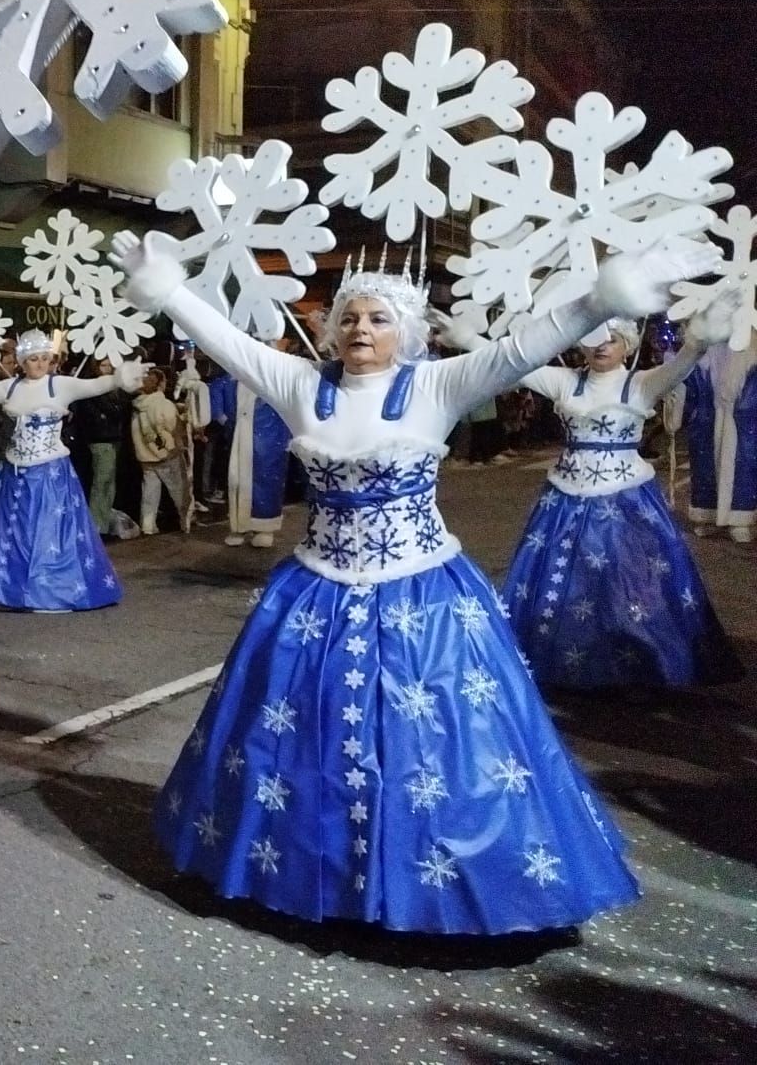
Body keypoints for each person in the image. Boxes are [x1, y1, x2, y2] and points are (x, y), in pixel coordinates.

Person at [123, 227, 711, 934]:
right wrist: (170, 293)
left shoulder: (438, 383)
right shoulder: (301, 383)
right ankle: (310, 878)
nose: (360, 329)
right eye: (348, 317)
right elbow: (227, 341)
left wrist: (599, 300)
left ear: (403, 331)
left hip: (422, 596)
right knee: (299, 749)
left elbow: (522, 348)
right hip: (316, 591)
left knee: (429, 750)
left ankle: (439, 894)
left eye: (376, 318)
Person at [489, 317, 742, 692]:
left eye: (613, 339)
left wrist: (695, 344)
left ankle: (639, 662)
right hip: (564, 501)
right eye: (594, 340)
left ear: (627, 343)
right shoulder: (564, 381)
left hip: (627, 501)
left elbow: (678, 368)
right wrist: (471, 338)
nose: (602, 347)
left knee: (633, 583)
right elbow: (514, 363)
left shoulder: (640, 383)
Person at [0, 331, 141, 611]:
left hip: (50, 473)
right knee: (12, 532)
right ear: (23, 361)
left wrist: (120, 378)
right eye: (33, 359)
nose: (39, 364)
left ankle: (47, 591)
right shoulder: (9, 387)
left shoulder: (60, 385)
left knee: (47, 532)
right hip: (14, 472)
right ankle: (5, 592)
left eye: (45, 358)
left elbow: (95, 385)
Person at [679, 341, 756, 541]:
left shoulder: (753, 352)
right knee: (705, 467)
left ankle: (739, 519)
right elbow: (688, 389)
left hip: (744, 422)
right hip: (707, 419)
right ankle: (707, 515)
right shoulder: (703, 352)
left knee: (743, 468)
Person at [221, 357, 293, 549]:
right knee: (237, 479)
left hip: (269, 439)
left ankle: (264, 527)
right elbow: (218, 396)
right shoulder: (231, 378)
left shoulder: (275, 380)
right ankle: (239, 526)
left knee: (266, 480)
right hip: (240, 436)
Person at [70, 358, 132, 535]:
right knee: (101, 482)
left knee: (109, 483)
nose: (107, 369)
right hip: (100, 439)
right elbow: (110, 411)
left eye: (110, 366)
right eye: (103, 366)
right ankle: (97, 523)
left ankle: (103, 521)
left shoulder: (114, 390)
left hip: (113, 437)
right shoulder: (95, 389)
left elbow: (120, 409)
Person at [131, 366, 189, 536]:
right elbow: (173, 427)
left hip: (145, 456)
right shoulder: (163, 404)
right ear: (161, 383)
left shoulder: (137, 406)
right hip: (166, 454)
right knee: (179, 489)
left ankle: (148, 525)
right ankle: (185, 520)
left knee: (150, 492)